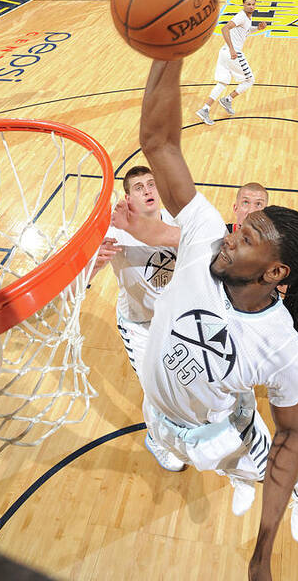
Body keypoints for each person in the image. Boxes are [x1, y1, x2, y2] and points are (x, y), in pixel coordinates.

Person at [138, 58, 298, 580]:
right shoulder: (205, 236)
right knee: (231, 466)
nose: (230, 236)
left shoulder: (281, 349)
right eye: (239, 226)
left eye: (246, 238)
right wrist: (169, 49)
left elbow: (290, 438)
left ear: (275, 272)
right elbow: (159, 143)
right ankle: (240, 476)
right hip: (160, 417)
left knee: (261, 466)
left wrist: (261, 557)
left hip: (219, 431)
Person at [90, 165, 184, 472]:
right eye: (139, 188)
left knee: (182, 384)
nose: (147, 191)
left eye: (151, 184)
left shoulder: (177, 220)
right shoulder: (115, 231)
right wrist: (93, 264)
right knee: (155, 390)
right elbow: (85, 277)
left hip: (177, 320)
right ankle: (156, 440)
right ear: (128, 198)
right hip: (139, 325)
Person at [227, 182, 298, 429]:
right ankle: (243, 403)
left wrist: (281, 286)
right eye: (246, 203)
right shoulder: (220, 239)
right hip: (236, 323)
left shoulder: (280, 242)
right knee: (235, 367)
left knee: (294, 364)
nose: (251, 209)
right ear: (235, 207)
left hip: (274, 321)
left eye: (258, 204)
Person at [196, 0, 266, 126]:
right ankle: (228, 99)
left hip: (223, 53)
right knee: (250, 80)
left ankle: (205, 109)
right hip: (233, 53)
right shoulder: (241, 16)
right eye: (248, 4)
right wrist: (232, 49)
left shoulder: (247, 18)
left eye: (253, 4)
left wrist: (258, 28)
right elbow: (225, 28)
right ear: (243, 5)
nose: (251, 6)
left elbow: (244, 31)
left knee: (223, 82)